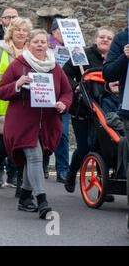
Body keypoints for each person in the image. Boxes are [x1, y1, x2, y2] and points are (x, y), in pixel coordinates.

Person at [0, 29, 73, 219]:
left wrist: (63, 103)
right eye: (36, 42)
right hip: (22, 122)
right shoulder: (18, 65)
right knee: (35, 157)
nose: (40, 45)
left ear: (48, 45)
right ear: (28, 44)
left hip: (47, 122)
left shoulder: (55, 67)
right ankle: (42, 202)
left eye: (43, 42)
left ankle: (24, 197)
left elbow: (67, 92)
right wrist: (17, 84)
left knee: (36, 159)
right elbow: (1, 91)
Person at [0, 17, 32, 196]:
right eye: (17, 29)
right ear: (11, 31)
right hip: (2, 106)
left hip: (25, 106)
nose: (21, 33)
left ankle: (20, 183)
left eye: (24, 30)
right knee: (4, 145)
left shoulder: (32, 52)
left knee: (22, 146)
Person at [63, 27, 115, 194]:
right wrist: (76, 86)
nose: (105, 40)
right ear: (95, 39)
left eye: (109, 38)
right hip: (83, 109)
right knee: (84, 147)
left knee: (101, 148)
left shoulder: (116, 59)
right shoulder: (82, 54)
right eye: (101, 37)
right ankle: (72, 173)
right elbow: (65, 74)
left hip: (105, 110)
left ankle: (102, 189)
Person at [46, 18, 71, 182]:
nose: (65, 35)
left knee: (62, 134)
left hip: (63, 95)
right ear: (54, 32)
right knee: (44, 133)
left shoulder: (73, 50)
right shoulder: (45, 46)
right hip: (46, 94)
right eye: (62, 31)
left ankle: (63, 169)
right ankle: (42, 166)